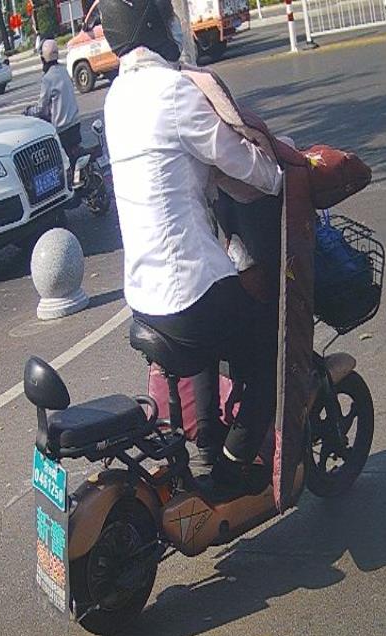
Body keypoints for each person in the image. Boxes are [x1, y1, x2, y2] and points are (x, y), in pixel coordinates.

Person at [99, 0, 284, 495]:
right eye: (168, 18)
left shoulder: (116, 98)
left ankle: (207, 445)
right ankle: (235, 461)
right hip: (187, 291)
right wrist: (280, 177)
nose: (176, 27)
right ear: (153, 25)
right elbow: (237, 159)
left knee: (208, 336)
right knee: (270, 342)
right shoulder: (173, 92)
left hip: (144, 296)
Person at [32, 38, 83, 160]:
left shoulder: (47, 79)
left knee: (56, 159)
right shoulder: (64, 70)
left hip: (62, 129)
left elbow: (41, 107)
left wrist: (29, 111)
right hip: (75, 123)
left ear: (43, 58)